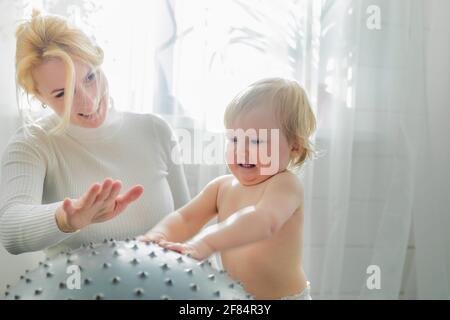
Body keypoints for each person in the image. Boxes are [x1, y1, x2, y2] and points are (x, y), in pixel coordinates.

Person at [0, 10, 190, 257]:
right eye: (62, 94)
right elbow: (10, 230)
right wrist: (66, 219)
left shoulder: (156, 130)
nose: (88, 101)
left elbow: (189, 222)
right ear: (39, 97)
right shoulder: (33, 143)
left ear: (99, 61)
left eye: (90, 77)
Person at [139, 78, 316, 300]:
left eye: (257, 141)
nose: (242, 150)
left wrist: (207, 242)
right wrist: (158, 235)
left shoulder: (284, 185)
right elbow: (185, 218)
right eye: (234, 139)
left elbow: (264, 221)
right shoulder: (221, 188)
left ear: (295, 147)